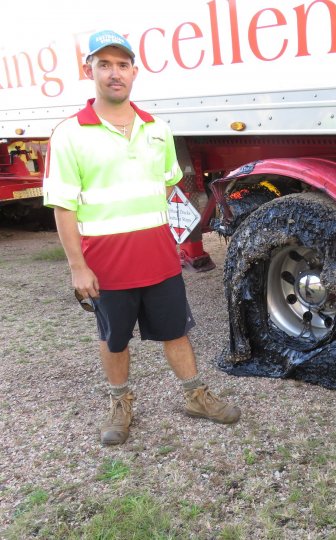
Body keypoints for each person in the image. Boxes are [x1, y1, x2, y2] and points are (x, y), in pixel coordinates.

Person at [43, 30, 240, 446]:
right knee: (113, 339)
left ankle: (195, 397)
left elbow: (169, 188)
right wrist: (77, 267)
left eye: (122, 65)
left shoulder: (157, 129)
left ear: (134, 70)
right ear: (89, 70)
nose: (115, 73)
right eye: (104, 65)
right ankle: (120, 404)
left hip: (158, 257)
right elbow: (64, 206)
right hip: (106, 263)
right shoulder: (70, 134)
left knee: (176, 331)